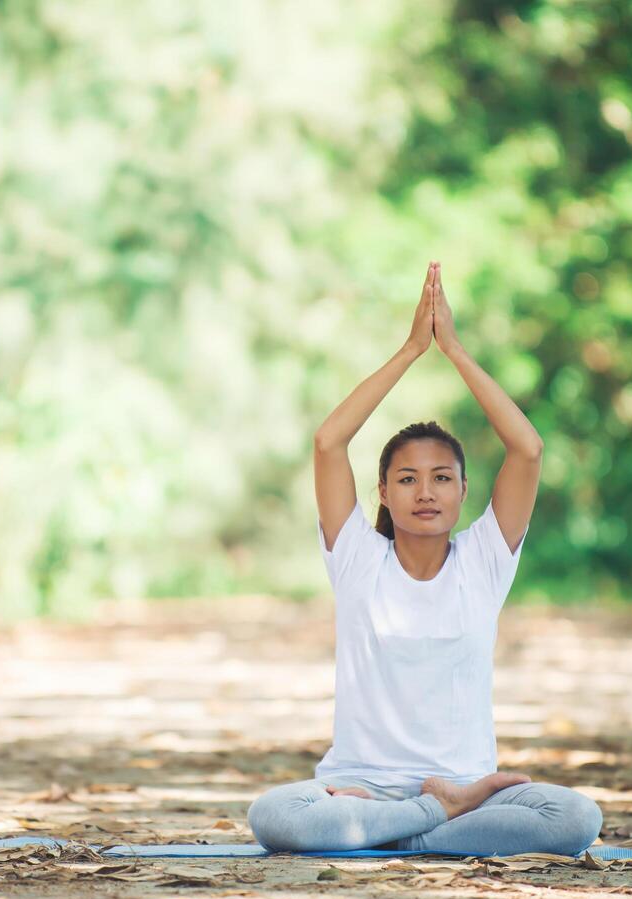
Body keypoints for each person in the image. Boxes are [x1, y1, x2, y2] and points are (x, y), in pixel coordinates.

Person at [246, 262, 602, 856]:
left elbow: (529, 448)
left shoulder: (484, 561)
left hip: (470, 789)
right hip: (357, 789)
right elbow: (329, 441)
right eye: (407, 479)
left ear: (465, 491)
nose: (426, 492)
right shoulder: (359, 558)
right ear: (382, 492)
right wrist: (412, 349)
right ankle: (434, 822)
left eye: (442, 478)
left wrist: (455, 351)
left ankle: (408, 825)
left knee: (575, 818)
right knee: (276, 818)